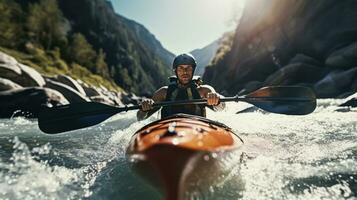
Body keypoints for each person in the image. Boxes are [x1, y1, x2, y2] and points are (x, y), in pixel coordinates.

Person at [137, 53, 225, 120]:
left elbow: (222, 107)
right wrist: (144, 108)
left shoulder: (204, 91)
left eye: (189, 68)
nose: (185, 72)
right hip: (168, 130)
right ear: (175, 71)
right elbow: (140, 118)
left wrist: (216, 99)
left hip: (197, 129)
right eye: (181, 68)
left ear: (193, 70)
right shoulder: (163, 93)